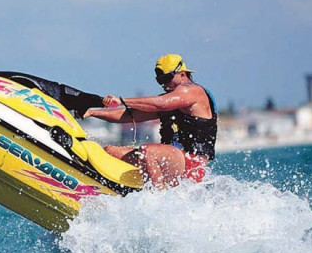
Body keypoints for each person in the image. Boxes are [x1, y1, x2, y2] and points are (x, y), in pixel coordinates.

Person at [83, 53, 217, 187]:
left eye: (167, 78)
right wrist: (92, 112)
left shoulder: (193, 91)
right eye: (160, 80)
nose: (164, 84)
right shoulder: (169, 99)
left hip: (191, 163)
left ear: (182, 74)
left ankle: (157, 198)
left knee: (148, 150)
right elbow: (129, 115)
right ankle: (115, 191)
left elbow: (160, 103)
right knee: (110, 152)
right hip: (168, 159)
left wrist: (121, 100)